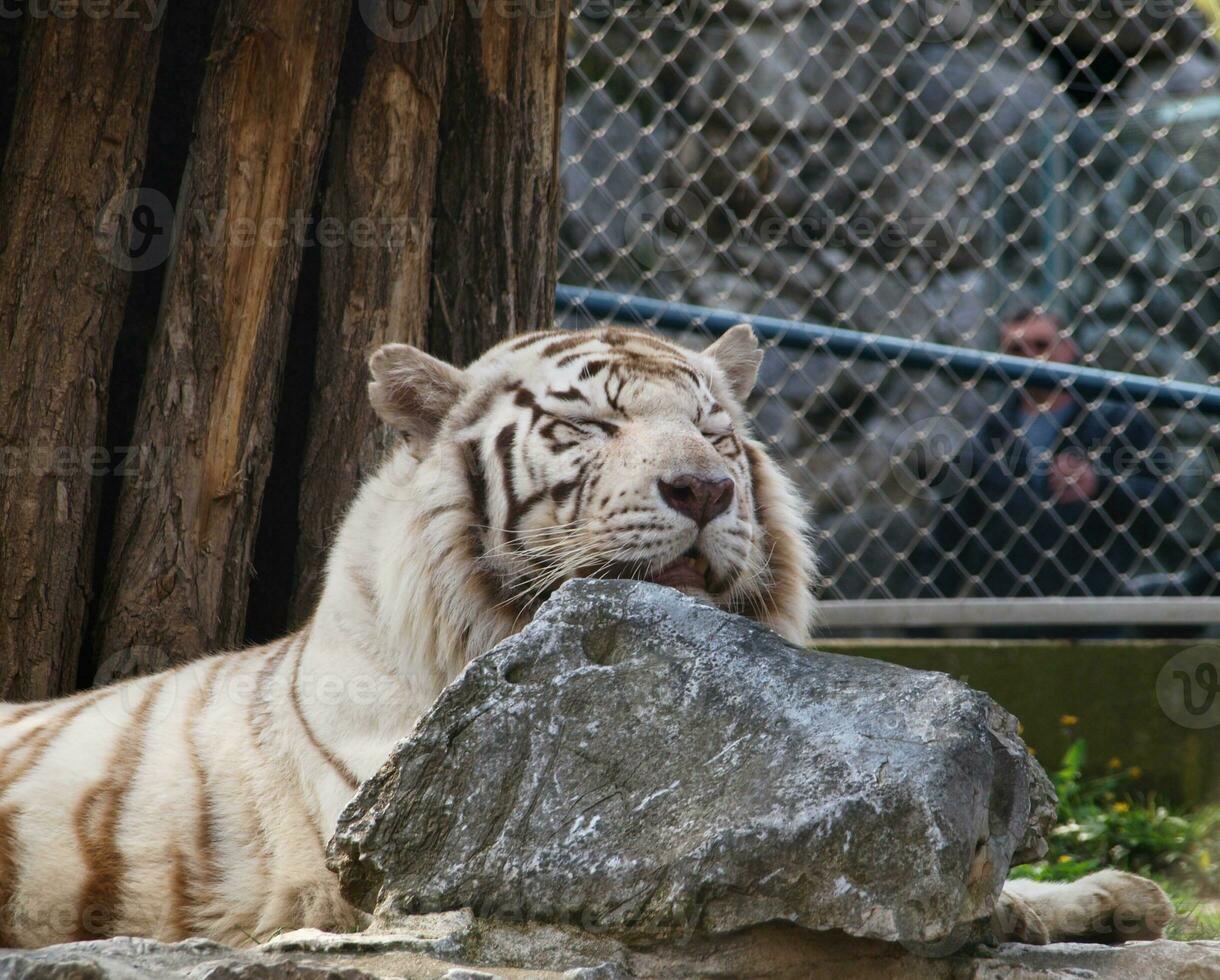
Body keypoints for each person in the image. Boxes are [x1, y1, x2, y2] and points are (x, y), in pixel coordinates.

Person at [921, 310, 1182, 601]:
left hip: (1097, 606)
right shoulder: (987, 436)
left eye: (1041, 345)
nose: (1031, 357)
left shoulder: (1115, 421)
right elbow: (950, 533)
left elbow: (1166, 500)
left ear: (1068, 348)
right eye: (1016, 350)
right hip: (1007, 610)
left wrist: (1101, 486)